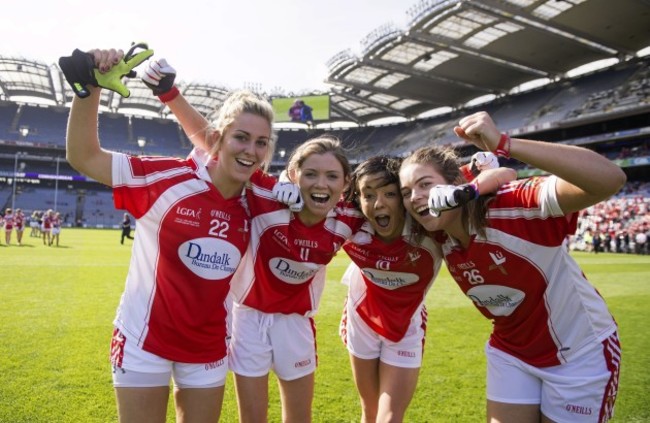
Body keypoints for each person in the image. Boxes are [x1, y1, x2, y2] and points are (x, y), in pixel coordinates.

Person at [142, 58, 367, 423]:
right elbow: (219, 145)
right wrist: (170, 94)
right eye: (310, 174)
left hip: (295, 323)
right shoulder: (266, 193)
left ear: (344, 184)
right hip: (246, 319)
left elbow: (397, 205)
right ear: (293, 175)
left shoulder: (349, 218)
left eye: (331, 176)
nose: (320, 184)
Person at [63, 46, 275, 422]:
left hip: (208, 349)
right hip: (144, 342)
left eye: (261, 143)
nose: (251, 150)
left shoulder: (260, 200)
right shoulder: (166, 179)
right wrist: (88, 91)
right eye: (241, 137)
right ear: (220, 136)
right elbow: (85, 157)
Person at [398, 111, 626, 423]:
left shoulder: (514, 205)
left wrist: (506, 143)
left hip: (580, 354)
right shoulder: (434, 233)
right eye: (407, 192)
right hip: (511, 352)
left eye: (425, 185)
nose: (416, 197)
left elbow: (611, 178)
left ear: (454, 184)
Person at [339, 154, 515, 422]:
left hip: (406, 324)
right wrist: (287, 178)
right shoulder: (349, 222)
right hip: (361, 317)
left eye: (390, 193)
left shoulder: (429, 225)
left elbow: (505, 175)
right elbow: (312, 190)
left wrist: (475, 184)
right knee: (369, 411)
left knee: (389, 417)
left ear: (404, 195)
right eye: (368, 194)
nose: (379, 203)